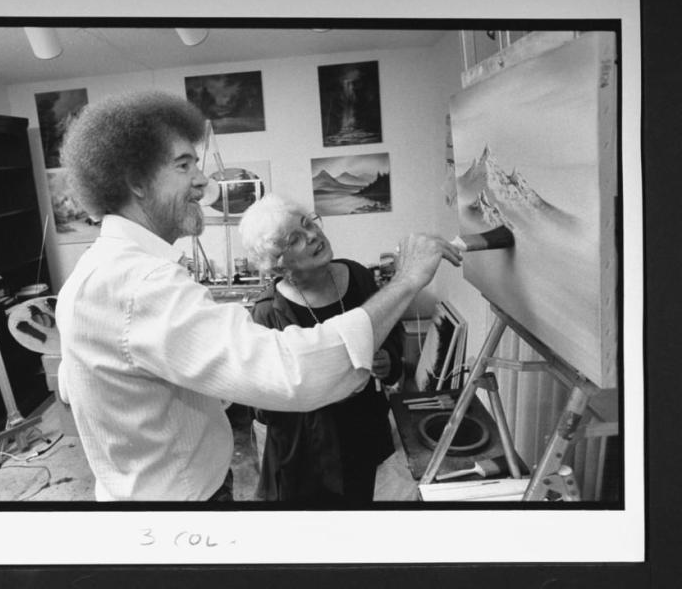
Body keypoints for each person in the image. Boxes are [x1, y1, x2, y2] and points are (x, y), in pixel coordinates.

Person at [54, 89, 462, 501]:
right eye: (183, 166)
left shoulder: (94, 273)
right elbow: (289, 373)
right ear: (135, 182)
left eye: (197, 164)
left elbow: (71, 386)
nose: (202, 181)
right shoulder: (140, 283)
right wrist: (406, 280)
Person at [239, 194, 403, 504]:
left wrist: (388, 360)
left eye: (308, 224)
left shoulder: (358, 276)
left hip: (363, 433)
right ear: (278, 265)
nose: (313, 235)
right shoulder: (269, 312)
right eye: (295, 239)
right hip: (306, 455)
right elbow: (264, 403)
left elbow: (392, 332)